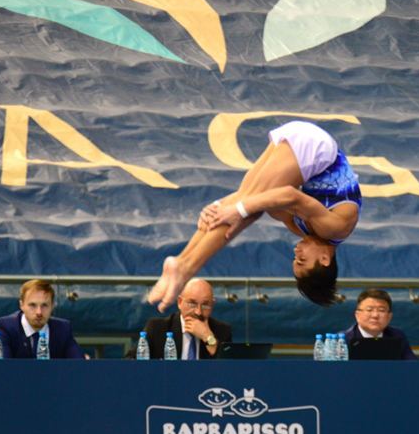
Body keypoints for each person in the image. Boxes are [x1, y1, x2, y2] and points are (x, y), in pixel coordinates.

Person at [148, 120, 361, 311]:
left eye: (295, 258)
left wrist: (219, 206)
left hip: (305, 143)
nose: (296, 251)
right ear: (324, 259)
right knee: (245, 208)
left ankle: (183, 260)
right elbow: (289, 195)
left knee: (246, 204)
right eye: (302, 259)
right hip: (317, 148)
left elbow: (266, 200)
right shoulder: (336, 229)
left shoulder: (301, 229)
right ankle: (186, 268)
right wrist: (237, 209)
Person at [134, 278, 232, 359]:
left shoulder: (222, 331)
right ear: (180, 302)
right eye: (192, 304)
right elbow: (131, 362)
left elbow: (231, 369)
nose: (198, 312)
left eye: (205, 305)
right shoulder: (157, 328)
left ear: (212, 305)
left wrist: (208, 338)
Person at [0, 279, 84, 359]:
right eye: (32, 305)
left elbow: (79, 365)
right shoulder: (6, 326)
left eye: (44, 305)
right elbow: (2, 368)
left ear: (52, 306)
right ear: (21, 305)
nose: (39, 312)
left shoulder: (63, 328)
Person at [339, 288, 417, 360]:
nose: (375, 315)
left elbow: (413, 367)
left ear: (389, 316)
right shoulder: (342, 340)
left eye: (381, 310)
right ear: (357, 315)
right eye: (369, 310)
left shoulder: (397, 335)